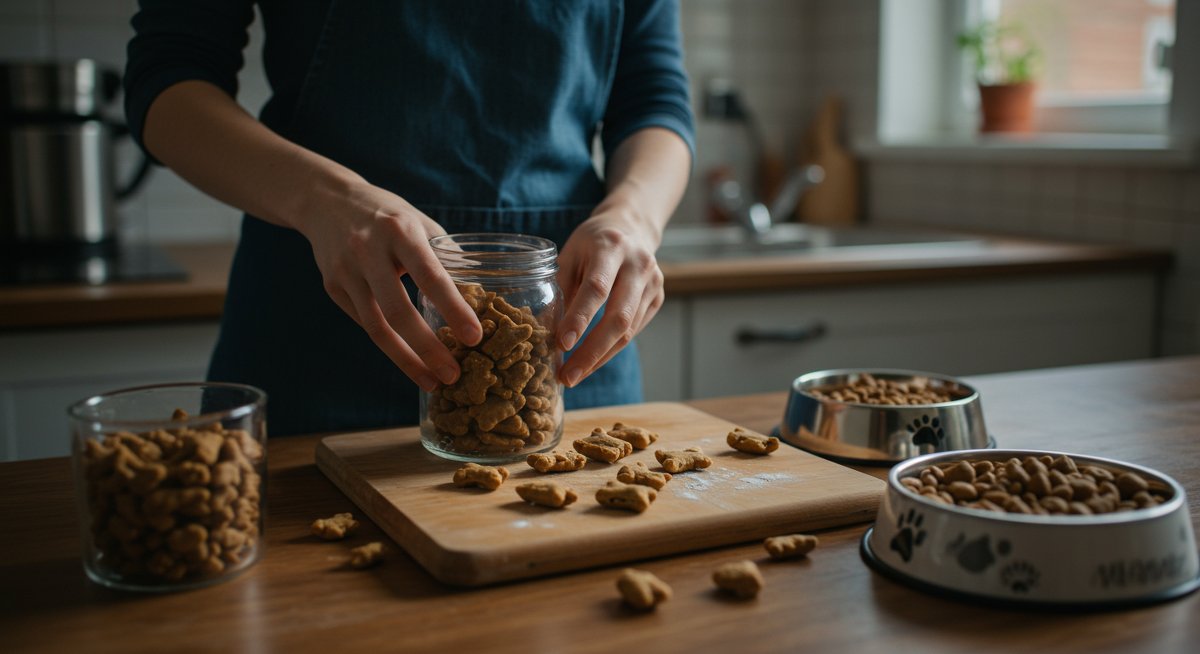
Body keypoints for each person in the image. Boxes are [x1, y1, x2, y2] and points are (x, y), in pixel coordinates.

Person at [125, 1, 694, 436]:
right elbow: (168, 80)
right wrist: (324, 198)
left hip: (563, 328)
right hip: (320, 328)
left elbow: (654, 99)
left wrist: (632, 217)